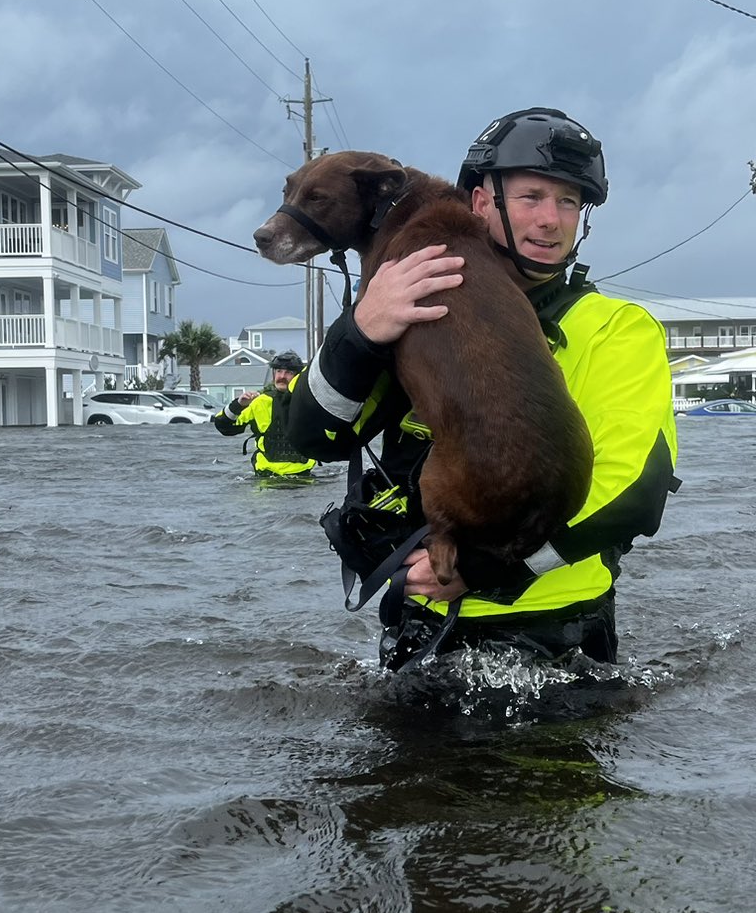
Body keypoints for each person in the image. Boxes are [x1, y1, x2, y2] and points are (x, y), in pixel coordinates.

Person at [287, 108, 677, 669]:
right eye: (531, 197)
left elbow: (632, 492)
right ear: (478, 202)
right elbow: (314, 438)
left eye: (569, 202)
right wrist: (361, 331)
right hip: (417, 622)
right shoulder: (407, 304)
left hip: (552, 634)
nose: (551, 219)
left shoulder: (615, 326)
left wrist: (488, 567)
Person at [214, 350, 318, 478]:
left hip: (303, 477)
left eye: (288, 372)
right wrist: (238, 404)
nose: (282, 376)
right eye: (278, 371)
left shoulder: (310, 402)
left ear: (297, 376)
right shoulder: (260, 402)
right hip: (266, 478)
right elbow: (224, 426)